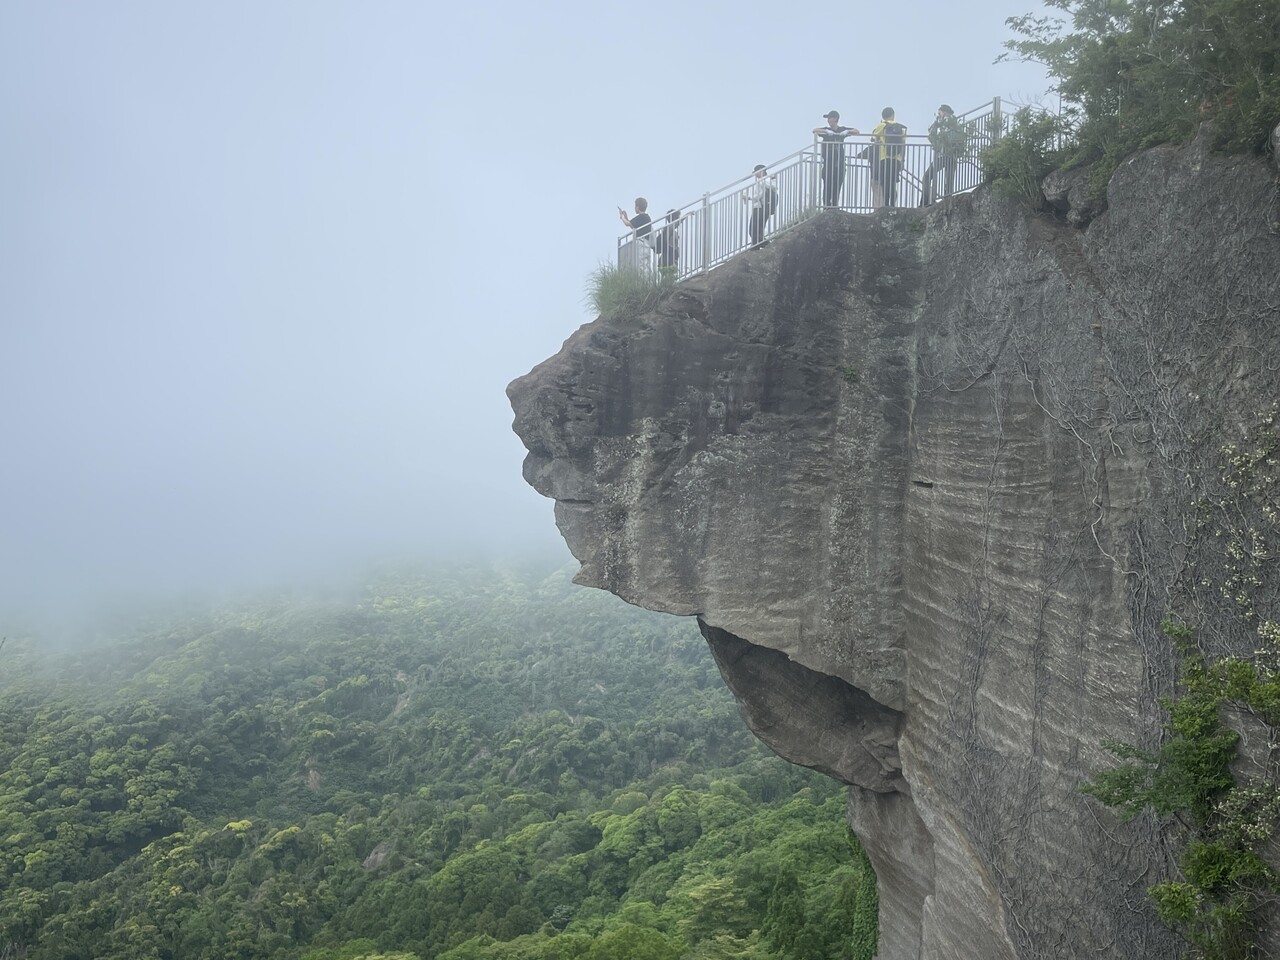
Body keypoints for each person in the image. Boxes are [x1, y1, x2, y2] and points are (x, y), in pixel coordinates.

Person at [812, 110, 860, 207]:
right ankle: (826, 206)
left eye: (830, 118)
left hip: (839, 163)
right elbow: (814, 130)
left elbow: (857, 131)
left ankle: (834, 206)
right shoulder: (827, 130)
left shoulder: (841, 129)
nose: (828, 120)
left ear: (835, 119)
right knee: (827, 186)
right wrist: (826, 131)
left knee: (837, 186)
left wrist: (847, 131)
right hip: (828, 163)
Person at [921, 104, 965, 206]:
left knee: (926, 177)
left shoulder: (943, 123)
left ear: (943, 112)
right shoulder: (955, 124)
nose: (938, 115)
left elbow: (933, 135)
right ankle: (947, 202)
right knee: (949, 180)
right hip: (952, 155)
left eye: (939, 112)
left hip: (943, 154)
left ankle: (925, 201)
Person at [869, 107, 907, 209]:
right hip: (897, 159)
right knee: (893, 183)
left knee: (885, 182)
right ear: (893, 115)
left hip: (884, 158)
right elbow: (903, 143)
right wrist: (902, 160)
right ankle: (893, 206)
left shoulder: (882, 125)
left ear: (883, 116)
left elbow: (872, 138)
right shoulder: (901, 127)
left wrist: (877, 138)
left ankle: (885, 206)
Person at [742, 165, 778, 247]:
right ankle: (761, 245)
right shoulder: (766, 180)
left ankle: (760, 246)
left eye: (756, 172)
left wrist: (749, 197)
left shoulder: (764, 180)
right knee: (758, 229)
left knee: (754, 229)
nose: (755, 174)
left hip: (760, 207)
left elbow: (759, 195)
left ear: (761, 170)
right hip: (763, 207)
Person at [618, 197, 653, 272]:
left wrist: (622, 217)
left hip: (641, 243)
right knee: (646, 264)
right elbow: (633, 226)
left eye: (635, 206)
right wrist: (626, 217)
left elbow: (627, 224)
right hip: (646, 243)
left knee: (640, 264)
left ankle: (641, 278)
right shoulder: (646, 217)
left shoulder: (641, 217)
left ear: (637, 207)